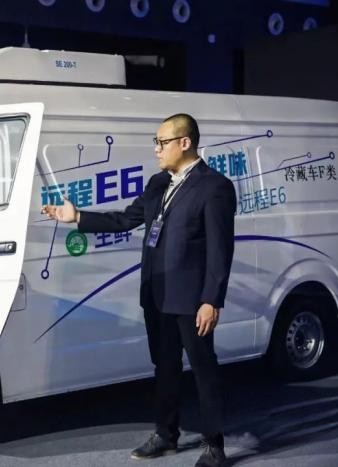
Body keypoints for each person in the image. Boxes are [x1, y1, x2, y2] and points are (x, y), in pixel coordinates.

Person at [41, 113, 236, 467]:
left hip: (192, 300)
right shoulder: (158, 183)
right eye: (155, 142)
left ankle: (214, 445)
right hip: (157, 295)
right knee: (164, 368)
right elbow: (124, 219)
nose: (156, 149)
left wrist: (211, 299)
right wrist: (78, 217)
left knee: (204, 370)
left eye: (162, 142)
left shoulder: (215, 187)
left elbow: (220, 249)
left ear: (185, 143)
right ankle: (166, 434)